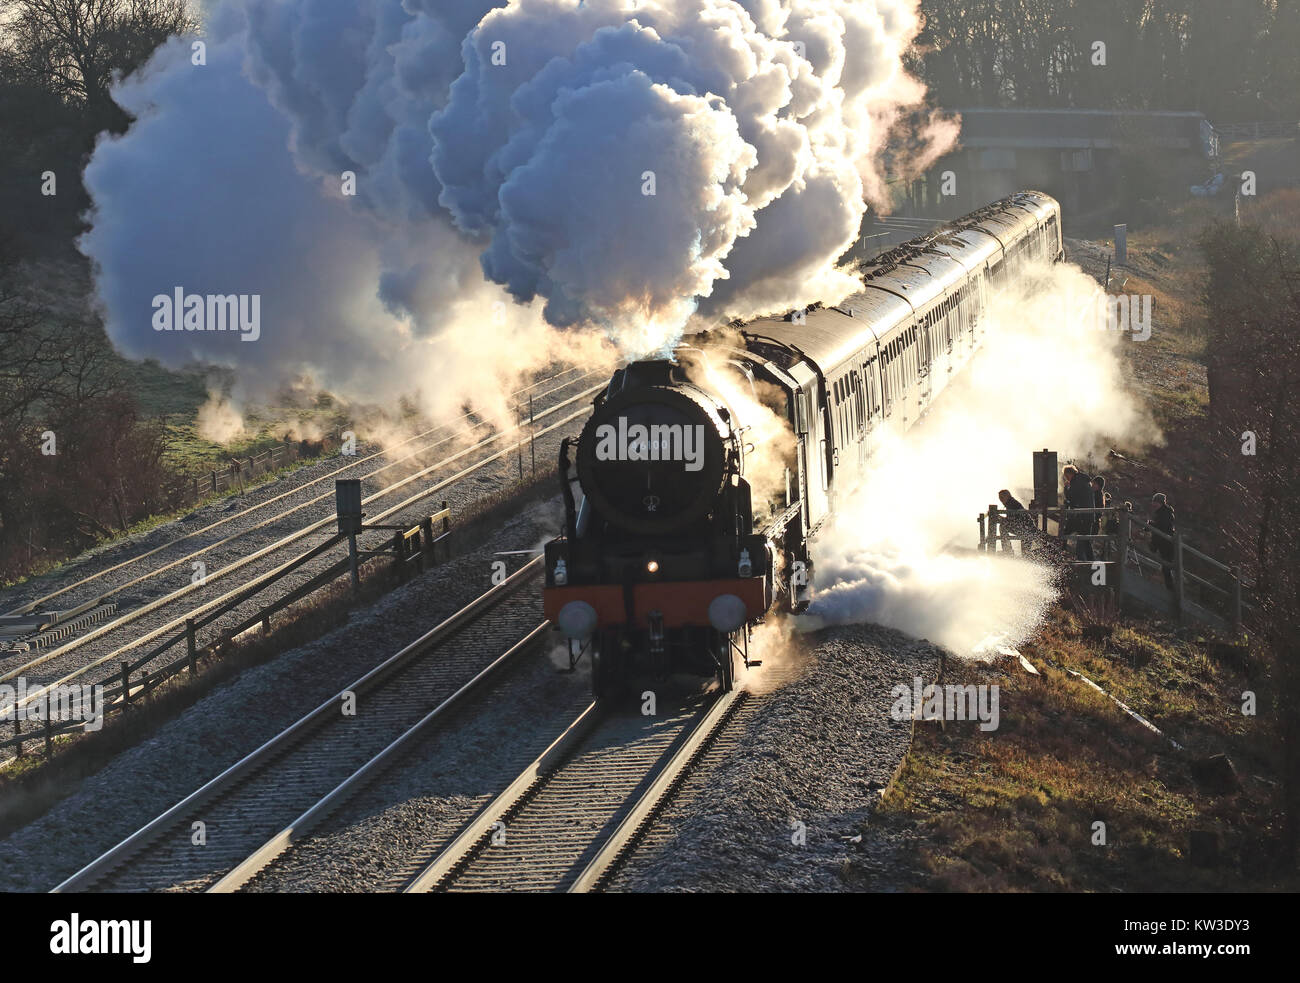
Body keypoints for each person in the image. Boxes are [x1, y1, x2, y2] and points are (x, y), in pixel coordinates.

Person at [1062, 465, 1094, 560]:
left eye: (1066, 476)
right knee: (1085, 540)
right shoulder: (1082, 480)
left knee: (1065, 534)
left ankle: (1060, 555)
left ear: (1070, 473)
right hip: (1087, 515)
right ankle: (1090, 561)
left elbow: (1071, 497)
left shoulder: (1076, 482)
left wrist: (1066, 488)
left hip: (1080, 516)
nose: (1066, 478)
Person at [1150, 492, 1176, 590]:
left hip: (1166, 544)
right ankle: (1169, 588)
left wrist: (1151, 525)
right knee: (1166, 568)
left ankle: (1170, 589)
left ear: (1159, 503)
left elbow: (1162, 527)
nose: (1153, 504)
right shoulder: (1164, 512)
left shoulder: (1164, 513)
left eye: (1155, 502)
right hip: (1166, 543)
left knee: (1166, 568)